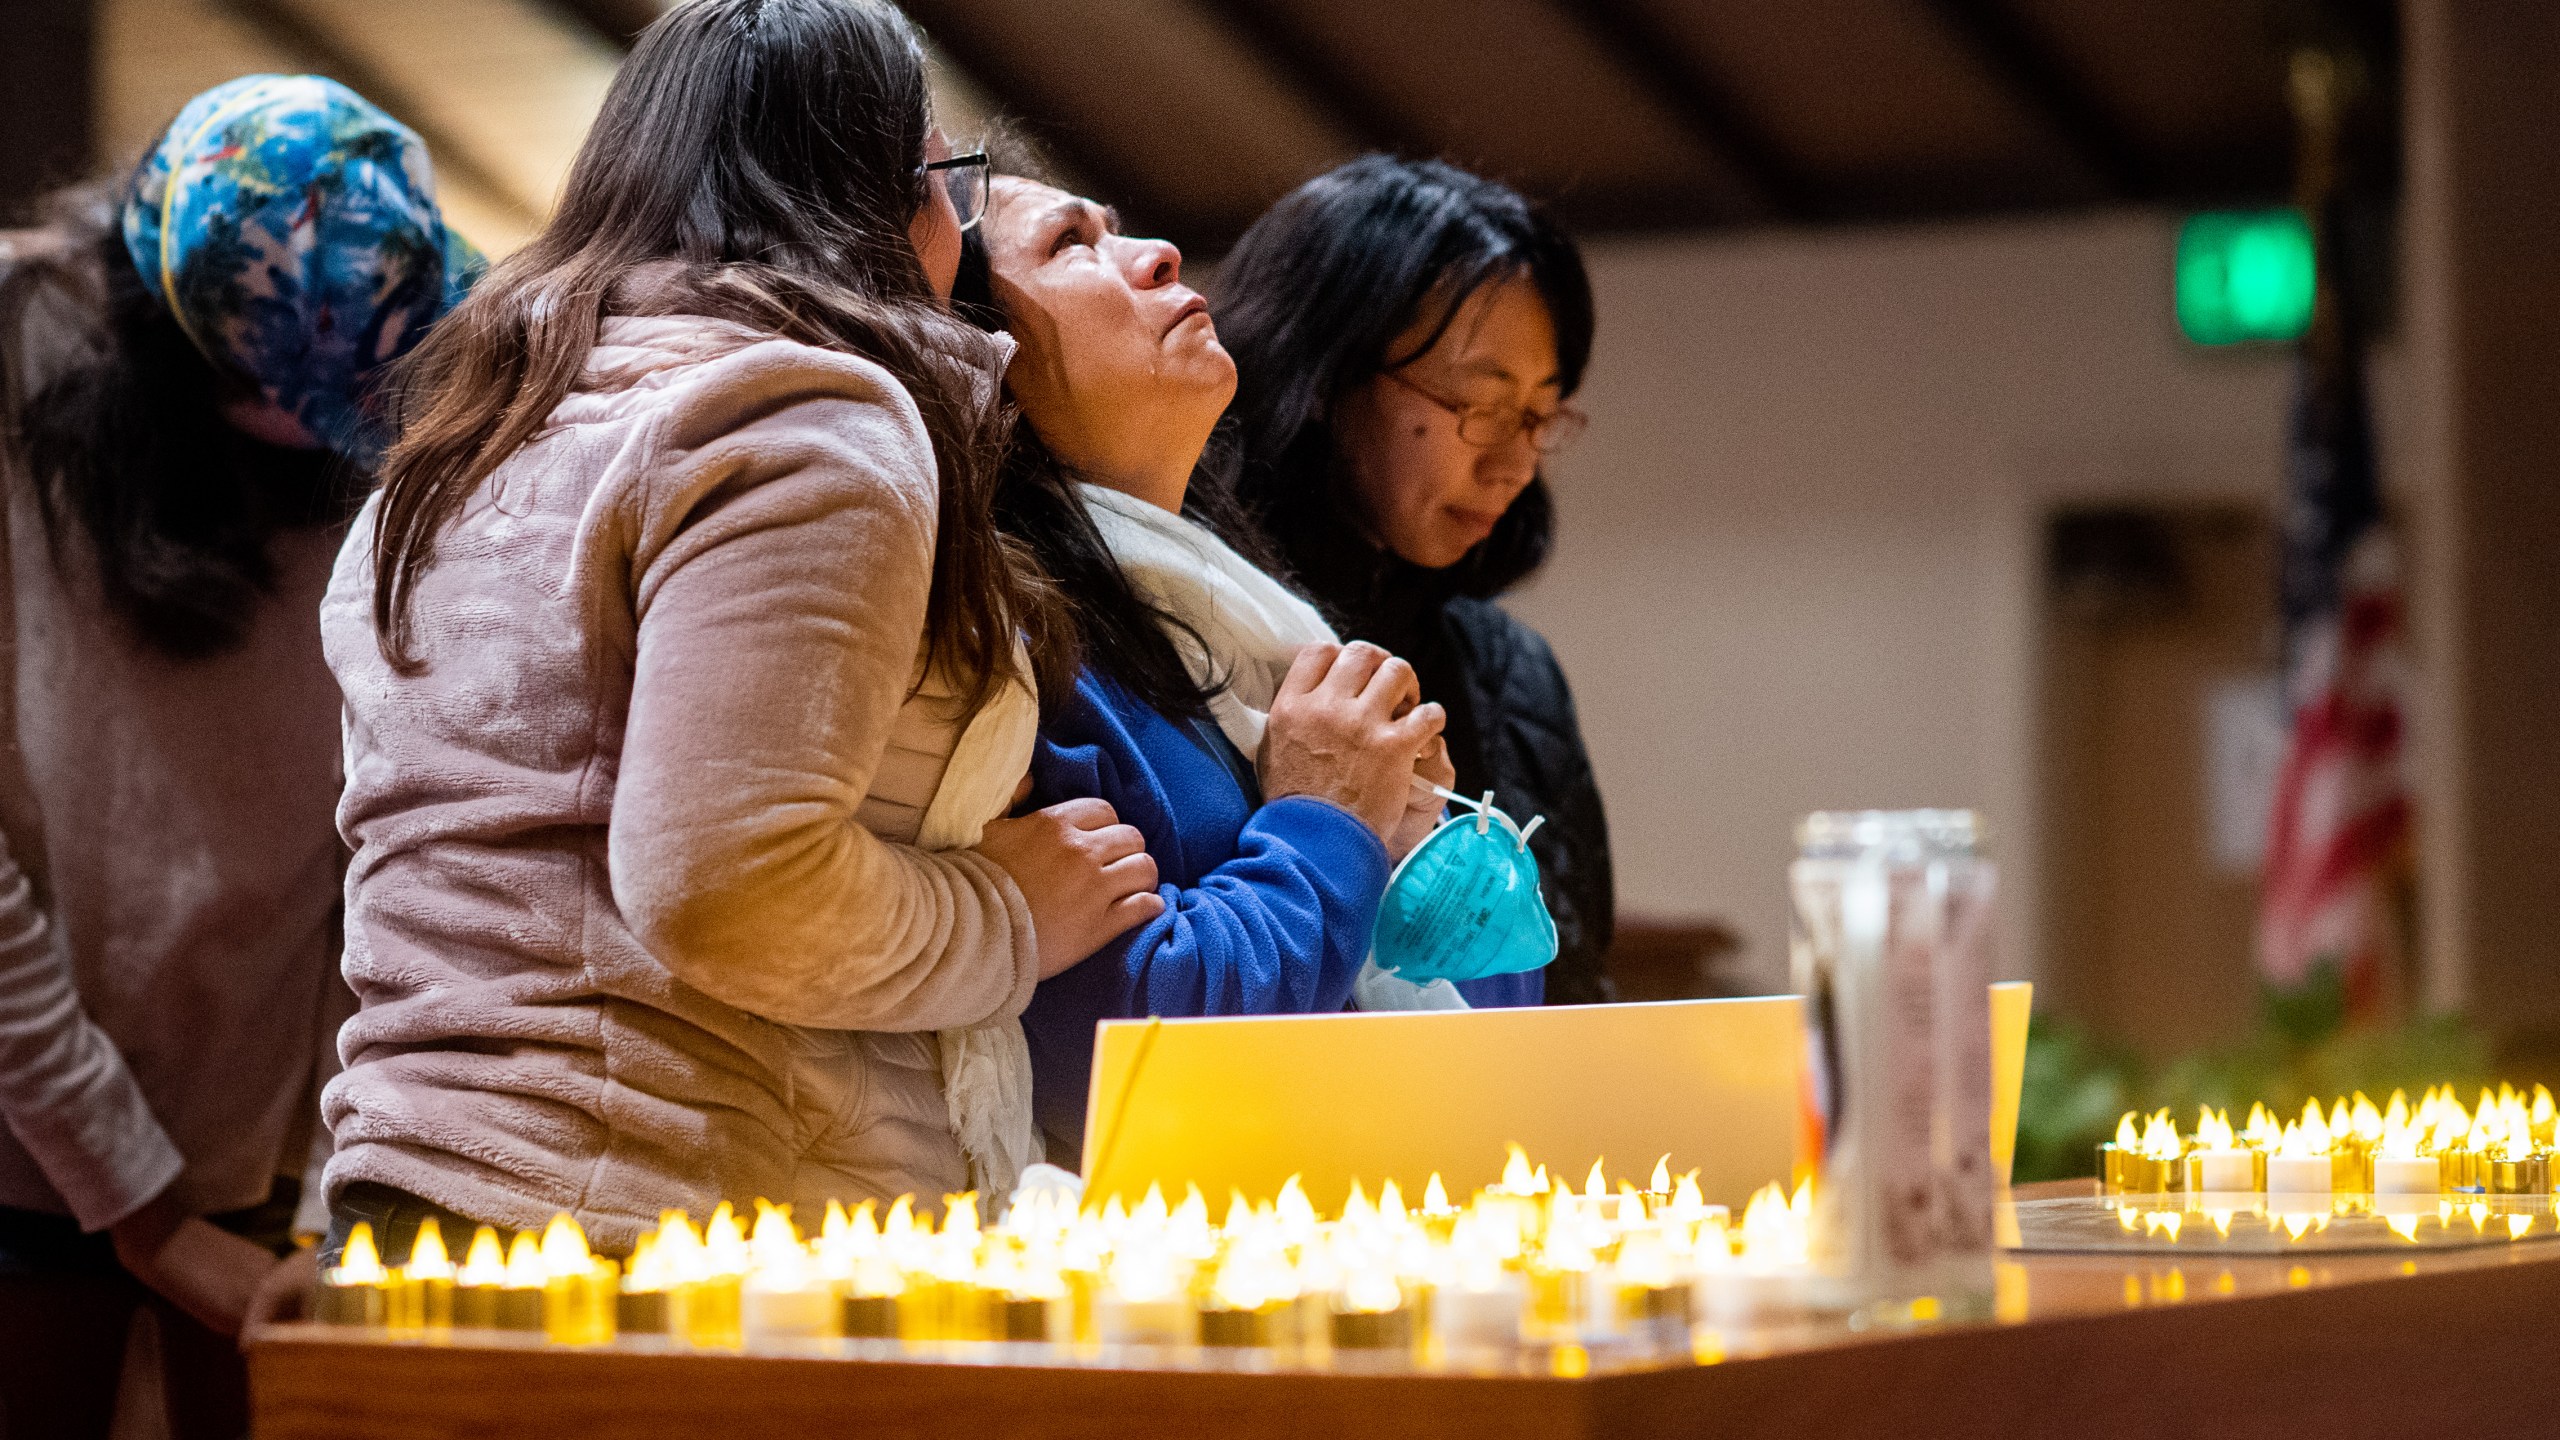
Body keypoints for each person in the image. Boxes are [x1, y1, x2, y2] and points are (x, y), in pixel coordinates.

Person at [318, 0, 1157, 1266]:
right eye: (950, 181)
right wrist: (1009, 920)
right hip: (655, 1221)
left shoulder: (468, 439)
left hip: (426, 1197)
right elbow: (728, 888)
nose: (960, 233)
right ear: (881, 197)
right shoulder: (797, 419)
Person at [0, 75, 479, 1438]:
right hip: (24, 1122)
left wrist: (342, 1182)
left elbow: (400, 833)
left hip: (285, 1154)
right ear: (169, 351)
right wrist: (139, 1209)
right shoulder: (18, 343)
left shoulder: (426, 353)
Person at [955, 174, 1456, 1160]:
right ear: (979, 357)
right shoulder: (1004, 650)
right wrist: (1329, 823)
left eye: (1116, 221)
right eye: (1069, 245)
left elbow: (1489, 1019)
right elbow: (1121, 1071)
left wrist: (1414, 868)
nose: (1157, 252)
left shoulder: (1247, 618)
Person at [1217, 156, 1617, 1007]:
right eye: (1481, 404)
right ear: (1325, 375)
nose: (1513, 463)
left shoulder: (1511, 671)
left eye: (1539, 416)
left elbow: (1571, 992)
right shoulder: (1210, 624)